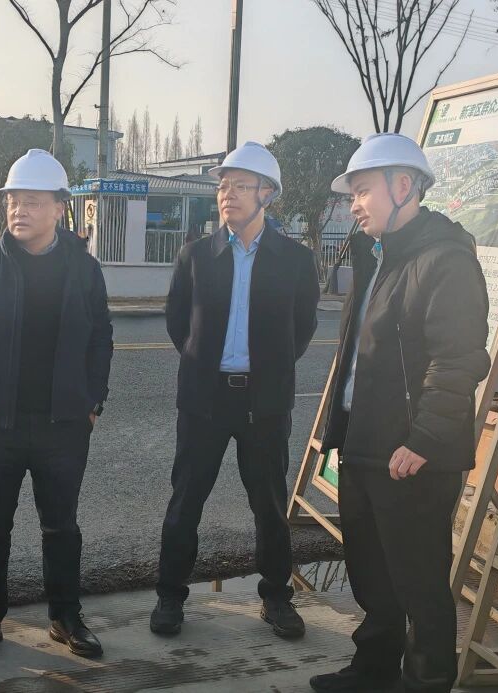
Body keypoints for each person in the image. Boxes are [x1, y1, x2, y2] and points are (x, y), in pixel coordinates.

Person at [310, 133, 490, 693]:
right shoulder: (376, 256)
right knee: (372, 573)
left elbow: (458, 361)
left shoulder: (446, 261)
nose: (354, 205)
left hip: (413, 455)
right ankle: (374, 669)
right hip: (365, 443)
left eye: (363, 191)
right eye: (352, 195)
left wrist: (424, 440)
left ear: (404, 186)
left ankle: (427, 680)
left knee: (419, 582)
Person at [0, 149, 113, 662]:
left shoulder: (83, 269)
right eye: (13, 200)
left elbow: (101, 339)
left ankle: (65, 617)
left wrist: (92, 402)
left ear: (60, 208)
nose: (19, 210)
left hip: (62, 426)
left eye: (32, 201)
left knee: (61, 527)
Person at [151, 141, 320, 639]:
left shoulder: (295, 260)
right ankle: (170, 596)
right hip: (204, 399)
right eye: (223, 186)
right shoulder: (196, 255)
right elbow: (178, 323)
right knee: (186, 500)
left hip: (264, 402)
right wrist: (207, 363)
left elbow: (302, 328)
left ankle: (276, 597)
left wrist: (265, 369)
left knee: (269, 505)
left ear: (268, 194)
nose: (228, 194)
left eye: (241, 186)